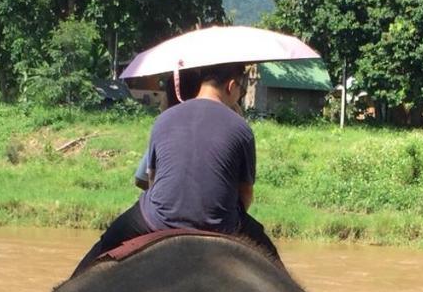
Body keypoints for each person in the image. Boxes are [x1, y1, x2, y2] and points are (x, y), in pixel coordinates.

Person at [71, 62, 280, 276]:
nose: (240, 95)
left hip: (156, 219)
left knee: (107, 242)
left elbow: (152, 181)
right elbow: (245, 195)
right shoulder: (241, 128)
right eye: (241, 90)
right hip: (220, 225)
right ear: (231, 86)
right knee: (272, 259)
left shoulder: (164, 119)